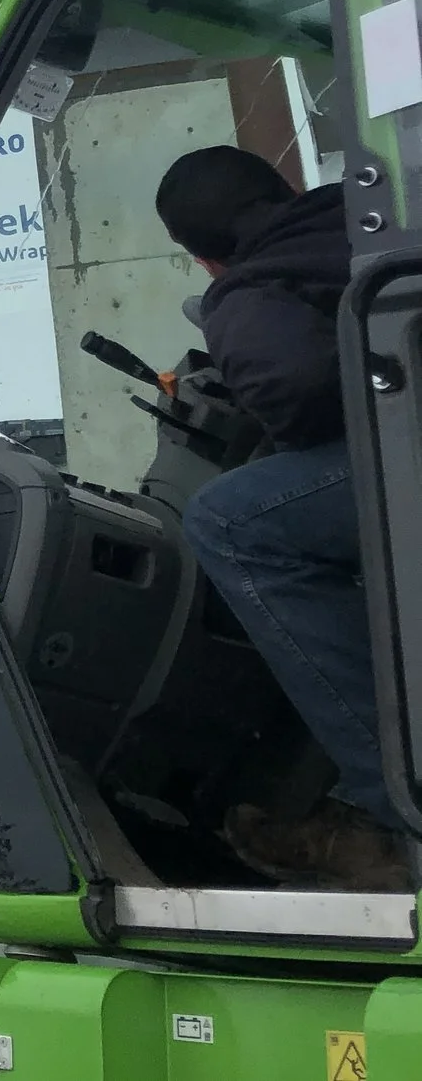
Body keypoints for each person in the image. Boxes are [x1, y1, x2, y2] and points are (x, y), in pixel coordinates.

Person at [157, 144, 404, 889]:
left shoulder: (246, 294)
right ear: (285, 187)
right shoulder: (360, 215)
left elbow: (295, 386)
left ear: (203, 259)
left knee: (231, 521)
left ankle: (397, 806)